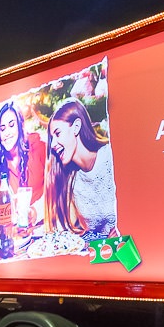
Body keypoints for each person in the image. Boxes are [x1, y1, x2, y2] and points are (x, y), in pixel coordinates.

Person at [45, 98, 117, 240]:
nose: (53, 144)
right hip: (99, 253)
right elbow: (67, 229)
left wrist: (125, 226)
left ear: (76, 127)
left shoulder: (111, 156)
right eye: (51, 137)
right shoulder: (72, 178)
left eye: (58, 134)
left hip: (130, 250)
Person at [0, 102, 46, 224]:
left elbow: (57, 190)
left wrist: (35, 211)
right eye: (2, 128)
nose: (7, 133)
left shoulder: (39, 146)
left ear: (20, 126)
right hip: (17, 230)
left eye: (11, 125)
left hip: (44, 224)